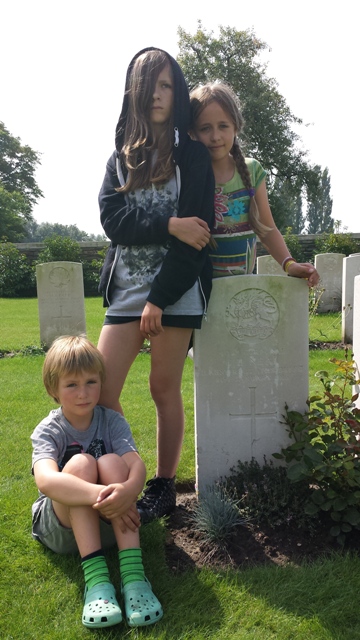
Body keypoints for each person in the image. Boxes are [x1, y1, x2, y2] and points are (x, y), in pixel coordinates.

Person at [97, 48, 215, 524]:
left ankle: (164, 486)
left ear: (178, 91)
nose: (159, 95)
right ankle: (125, 475)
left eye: (168, 85)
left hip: (177, 291)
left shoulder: (192, 155)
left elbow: (197, 237)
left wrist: (159, 299)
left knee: (163, 386)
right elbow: (113, 220)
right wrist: (168, 222)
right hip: (125, 291)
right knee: (103, 390)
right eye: (151, 86)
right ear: (135, 92)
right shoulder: (121, 156)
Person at [30, 335, 163, 630]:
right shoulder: (49, 430)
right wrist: (105, 495)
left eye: (91, 382)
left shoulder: (111, 420)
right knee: (79, 465)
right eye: (72, 385)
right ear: (53, 389)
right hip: (61, 530)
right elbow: (47, 481)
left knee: (113, 462)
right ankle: (98, 583)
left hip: (108, 523)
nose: (83, 393)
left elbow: (136, 466)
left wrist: (129, 491)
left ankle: (134, 579)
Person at [189, 81, 320, 285]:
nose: (215, 136)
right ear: (193, 133)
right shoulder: (189, 176)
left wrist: (289, 263)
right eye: (205, 128)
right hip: (201, 291)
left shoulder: (252, 171)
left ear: (235, 127)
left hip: (244, 288)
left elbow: (267, 229)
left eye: (223, 126)